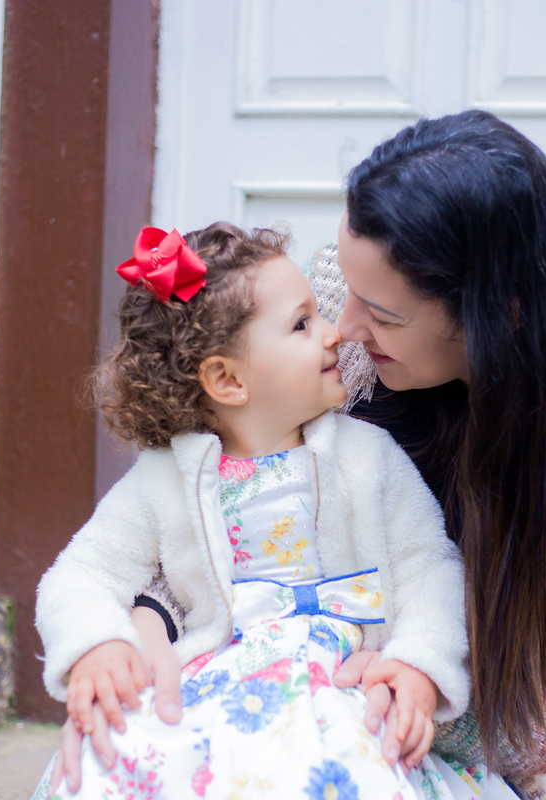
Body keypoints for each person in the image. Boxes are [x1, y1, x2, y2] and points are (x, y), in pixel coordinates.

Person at [68, 111, 546, 800]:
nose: (342, 328)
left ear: (496, 317)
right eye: (340, 287)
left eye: (381, 315)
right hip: (231, 713)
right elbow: (182, 525)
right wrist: (130, 674)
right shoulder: (325, 302)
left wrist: (406, 704)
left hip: (392, 749)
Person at [31, 222, 516, 799]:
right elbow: (83, 572)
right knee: (114, 760)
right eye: (302, 323)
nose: (334, 333)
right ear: (228, 379)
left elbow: (429, 567)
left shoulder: (367, 456)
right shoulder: (166, 478)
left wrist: (418, 665)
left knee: (341, 771)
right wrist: (98, 644)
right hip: (213, 684)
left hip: (337, 685)